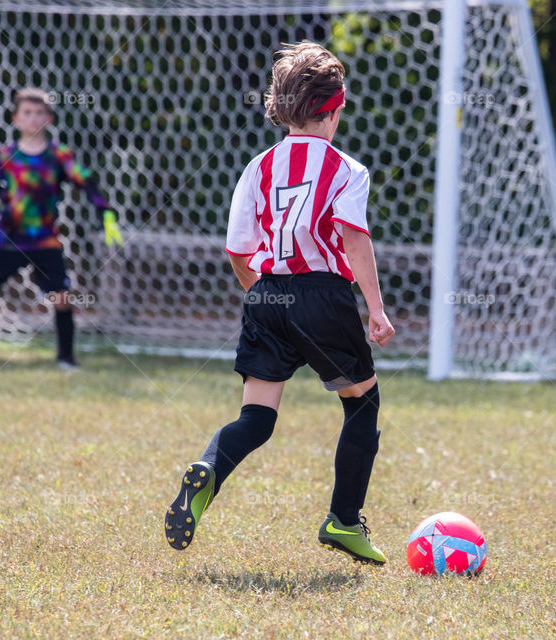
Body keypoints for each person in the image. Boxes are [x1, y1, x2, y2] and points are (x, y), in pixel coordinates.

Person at [164, 42, 395, 565]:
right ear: (333, 110)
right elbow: (354, 238)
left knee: (256, 419)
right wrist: (376, 310)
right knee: (362, 404)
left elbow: (237, 249)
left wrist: (264, 298)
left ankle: (209, 470)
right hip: (323, 295)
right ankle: (343, 521)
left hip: (266, 292)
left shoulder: (258, 166)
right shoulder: (345, 168)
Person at [0, 88, 123, 369]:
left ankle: (66, 360)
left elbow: (87, 182)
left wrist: (106, 213)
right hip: (8, 240)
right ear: (16, 118)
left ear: (49, 119)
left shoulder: (59, 156)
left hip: (45, 242)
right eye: (27, 113)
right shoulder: (6, 157)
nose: (33, 118)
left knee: (62, 298)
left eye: (39, 113)